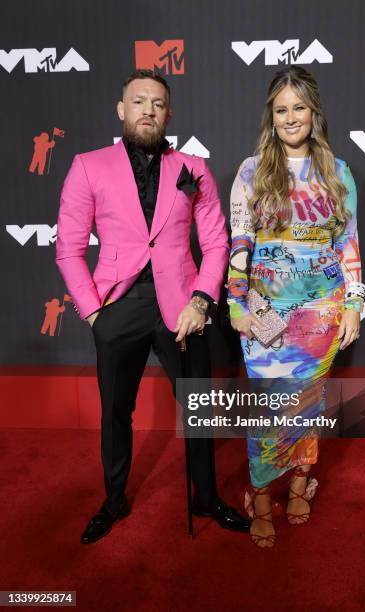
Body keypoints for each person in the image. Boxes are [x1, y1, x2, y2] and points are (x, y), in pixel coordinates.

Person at [56, 69, 250, 544]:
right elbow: (68, 248)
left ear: (169, 113)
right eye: (138, 101)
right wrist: (94, 313)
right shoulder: (88, 166)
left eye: (158, 103)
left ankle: (206, 498)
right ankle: (114, 500)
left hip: (183, 305)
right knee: (115, 411)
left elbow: (217, 241)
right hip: (117, 305)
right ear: (121, 110)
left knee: (198, 409)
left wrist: (202, 300)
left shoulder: (193, 167)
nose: (148, 109)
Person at [227, 67, 365, 548]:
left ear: (314, 112)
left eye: (299, 108)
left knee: (307, 408)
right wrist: (235, 302)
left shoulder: (337, 172)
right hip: (265, 315)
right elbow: (240, 242)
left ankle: (302, 483)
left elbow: (348, 244)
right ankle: (262, 497)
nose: (291, 118)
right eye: (281, 109)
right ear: (272, 115)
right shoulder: (251, 171)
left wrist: (353, 304)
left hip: (321, 315)